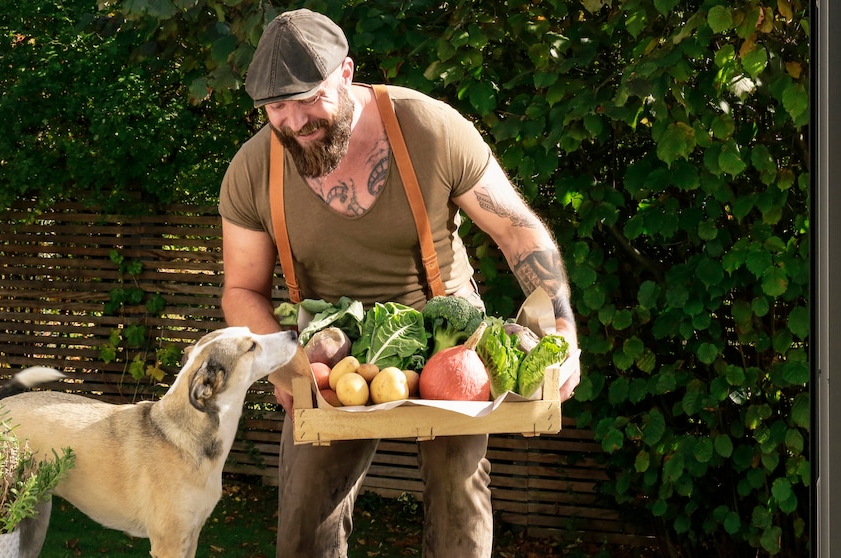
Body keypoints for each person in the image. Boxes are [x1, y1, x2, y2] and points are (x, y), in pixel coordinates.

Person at [218, 9, 580, 557]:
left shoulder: (429, 128)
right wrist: (283, 365)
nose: (293, 121)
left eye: (307, 98)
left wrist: (562, 328)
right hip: (329, 349)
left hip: (446, 337)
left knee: (460, 496)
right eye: (275, 107)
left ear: (346, 72)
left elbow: (516, 230)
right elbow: (242, 289)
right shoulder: (252, 169)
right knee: (303, 517)